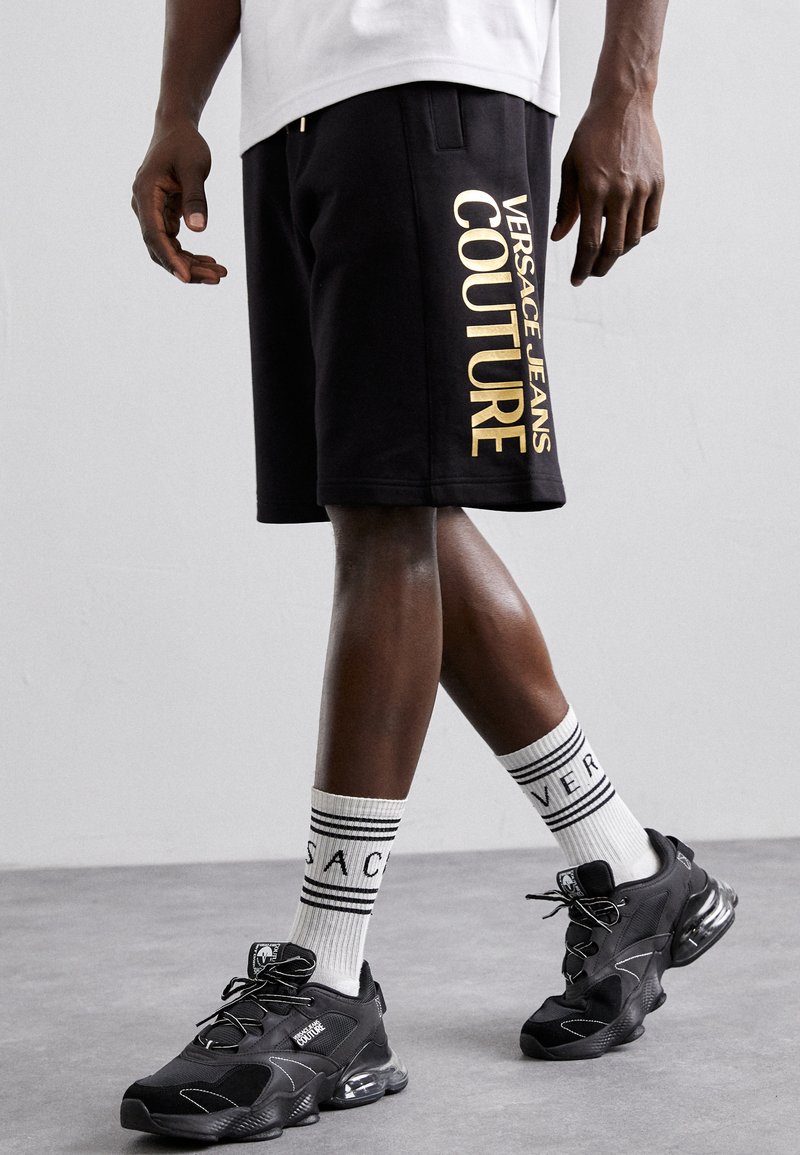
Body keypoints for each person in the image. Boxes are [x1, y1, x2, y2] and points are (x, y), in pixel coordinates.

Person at [121, 0, 737, 1143]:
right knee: (387, 489)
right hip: (291, 107)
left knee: (387, 510)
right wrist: (177, 108)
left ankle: (325, 978)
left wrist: (629, 93)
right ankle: (627, 866)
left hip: (441, 72)